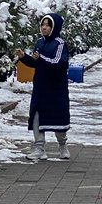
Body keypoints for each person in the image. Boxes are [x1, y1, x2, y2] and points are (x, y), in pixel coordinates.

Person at [15, 12, 71, 159]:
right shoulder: (40, 42)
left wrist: (40, 59)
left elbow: (58, 63)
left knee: (58, 117)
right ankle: (39, 148)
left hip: (56, 87)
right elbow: (36, 62)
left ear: (55, 27)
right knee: (36, 115)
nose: (44, 28)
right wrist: (24, 57)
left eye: (48, 25)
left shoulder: (60, 44)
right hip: (40, 86)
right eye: (43, 25)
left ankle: (62, 145)